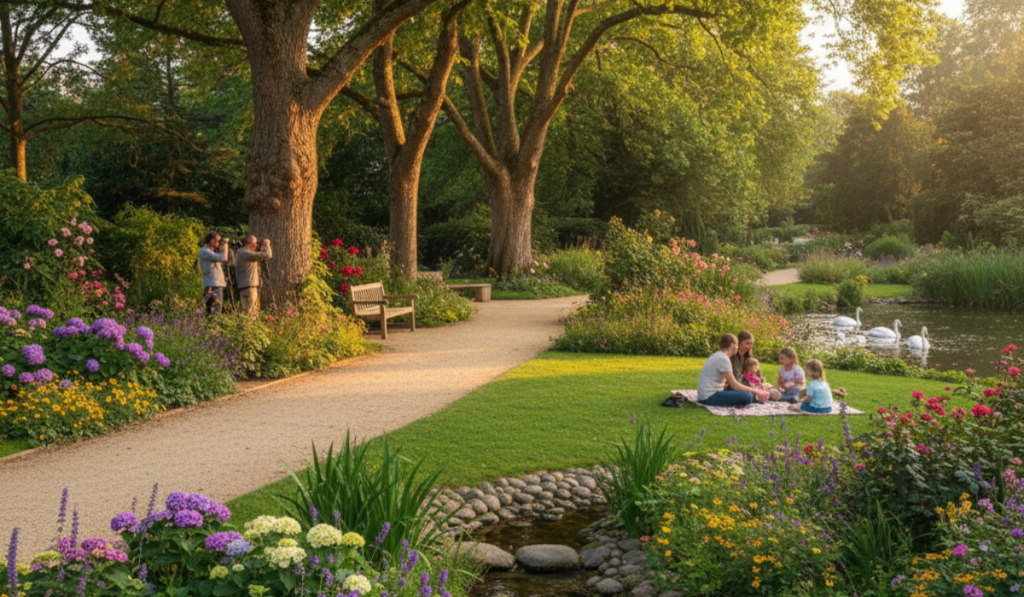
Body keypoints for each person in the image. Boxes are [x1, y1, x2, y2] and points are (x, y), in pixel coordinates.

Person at [697, 333, 770, 407]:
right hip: (709, 397)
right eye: (737, 345)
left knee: (744, 393)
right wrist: (756, 391)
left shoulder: (719, 355)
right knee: (747, 396)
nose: (737, 348)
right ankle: (756, 397)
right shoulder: (723, 359)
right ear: (732, 345)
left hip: (705, 396)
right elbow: (733, 384)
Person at [235, 235, 272, 316]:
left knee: (249, 312)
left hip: (246, 287)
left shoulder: (241, 252)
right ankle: (248, 324)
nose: (256, 245)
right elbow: (267, 255)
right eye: (256, 243)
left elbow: (258, 254)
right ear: (251, 244)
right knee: (251, 314)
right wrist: (267, 245)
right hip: (249, 288)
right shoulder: (246, 253)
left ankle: (247, 324)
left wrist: (261, 248)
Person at [198, 231, 230, 315]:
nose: (219, 243)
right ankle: (214, 323)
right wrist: (225, 246)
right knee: (216, 309)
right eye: (218, 241)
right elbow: (224, 258)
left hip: (212, 283)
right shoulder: (205, 252)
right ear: (212, 241)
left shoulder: (208, 252)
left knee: (211, 310)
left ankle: (210, 323)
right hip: (214, 283)